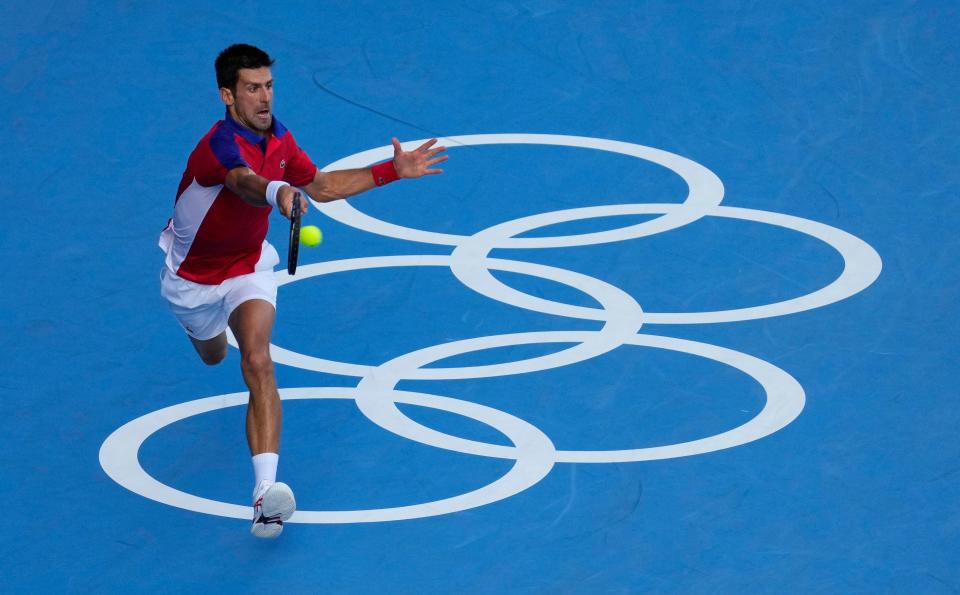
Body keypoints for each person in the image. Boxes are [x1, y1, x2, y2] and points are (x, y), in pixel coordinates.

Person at [158, 43, 447, 538]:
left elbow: (323, 186)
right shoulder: (217, 146)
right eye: (252, 88)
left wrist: (391, 171)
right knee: (212, 356)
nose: (264, 97)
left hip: (247, 268)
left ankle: (264, 499)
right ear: (228, 96)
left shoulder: (282, 141)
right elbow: (245, 183)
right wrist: (278, 192)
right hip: (192, 282)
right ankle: (206, 334)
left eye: (268, 86)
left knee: (258, 360)